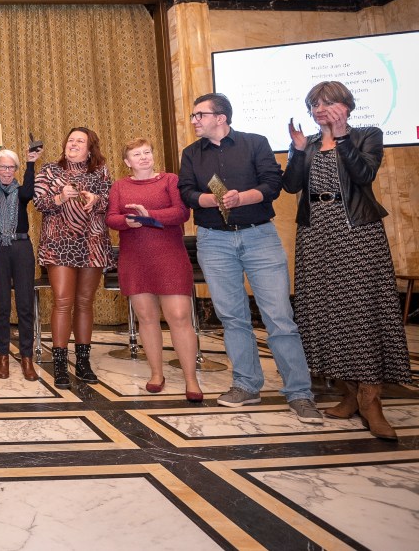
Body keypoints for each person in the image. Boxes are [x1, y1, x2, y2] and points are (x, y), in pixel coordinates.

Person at [178, 92, 322, 424]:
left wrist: (242, 198)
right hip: (214, 240)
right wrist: (207, 200)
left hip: (259, 237)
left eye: (200, 115)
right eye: (194, 116)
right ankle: (246, 385)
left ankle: (299, 393)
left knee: (280, 318)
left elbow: (272, 184)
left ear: (220, 118)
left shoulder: (255, 143)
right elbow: (186, 191)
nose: (195, 120)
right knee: (232, 317)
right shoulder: (191, 153)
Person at [283, 81, 410, 439]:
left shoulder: (367, 135)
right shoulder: (307, 143)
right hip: (315, 235)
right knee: (326, 312)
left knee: (362, 313)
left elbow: (364, 175)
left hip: (356, 232)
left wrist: (341, 138)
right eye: (315, 104)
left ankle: (371, 400)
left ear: (347, 106)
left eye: (329, 102)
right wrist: (297, 151)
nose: (321, 109)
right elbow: (291, 186)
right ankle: (349, 393)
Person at [106, 138, 203, 401]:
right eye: (137, 154)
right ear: (127, 161)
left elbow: (182, 213)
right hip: (135, 259)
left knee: (179, 316)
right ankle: (157, 374)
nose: (143, 157)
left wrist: (149, 216)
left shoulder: (170, 180)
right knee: (146, 318)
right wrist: (128, 222)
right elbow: (111, 218)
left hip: (169, 257)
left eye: (147, 152)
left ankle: (191, 379)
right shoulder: (119, 186)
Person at [33, 127, 113, 389]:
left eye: (80, 141)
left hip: (92, 243)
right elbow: (38, 202)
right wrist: (59, 197)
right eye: (70, 140)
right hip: (59, 244)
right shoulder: (49, 170)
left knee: (85, 302)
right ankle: (59, 364)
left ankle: (83, 362)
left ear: (90, 149)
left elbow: (112, 202)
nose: (74, 144)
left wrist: (96, 200)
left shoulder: (101, 172)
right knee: (63, 301)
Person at [0, 138, 41, 381]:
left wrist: (30, 163)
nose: (7, 171)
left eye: (11, 167)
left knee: (25, 304)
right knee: (2, 306)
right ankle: (3, 356)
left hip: (21, 247)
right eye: (2, 167)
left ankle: (27, 357)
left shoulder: (21, 192)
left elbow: (30, 190)